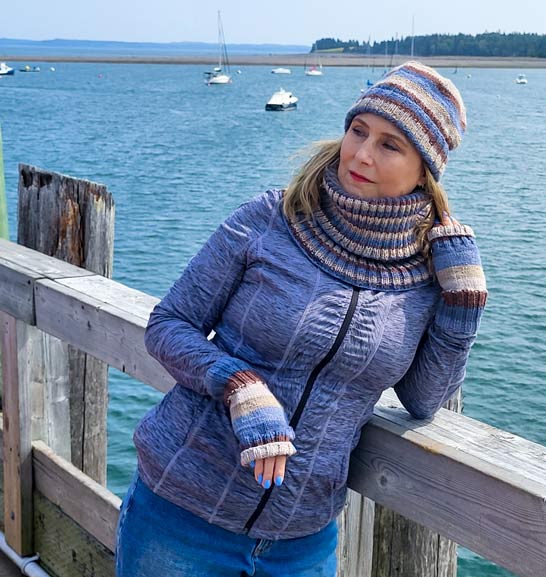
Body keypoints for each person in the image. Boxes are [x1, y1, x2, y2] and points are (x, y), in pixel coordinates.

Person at [115, 60, 487, 577]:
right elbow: (169, 324)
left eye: (389, 144)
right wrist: (238, 384)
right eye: (359, 130)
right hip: (181, 513)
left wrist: (461, 308)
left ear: (425, 169)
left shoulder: (426, 271)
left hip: (303, 540)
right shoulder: (269, 220)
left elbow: (424, 400)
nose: (360, 153)